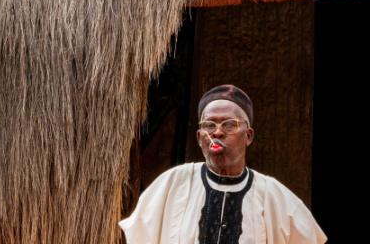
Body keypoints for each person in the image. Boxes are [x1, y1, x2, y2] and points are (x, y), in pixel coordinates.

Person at [120, 85, 327, 243]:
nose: (217, 132)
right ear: (200, 137)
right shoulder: (173, 183)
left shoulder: (274, 196)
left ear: (248, 136)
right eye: (209, 125)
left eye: (229, 124)